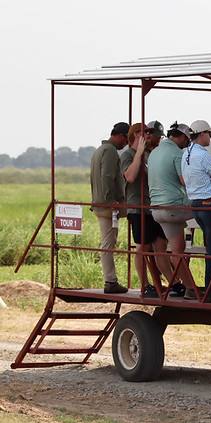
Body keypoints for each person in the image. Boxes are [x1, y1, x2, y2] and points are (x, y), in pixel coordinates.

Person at [119, 122, 176, 298]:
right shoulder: (128, 155)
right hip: (138, 207)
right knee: (142, 247)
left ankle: (173, 284)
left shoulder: (149, 154)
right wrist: (138, 153)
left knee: (160, 245)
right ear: (135, 135)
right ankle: (144, 285)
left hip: (153, 207)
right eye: (146, 132)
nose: (149, 135)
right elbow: (130, 176)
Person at [148, 122, 198, 299]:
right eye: (188, 139)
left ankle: (190, 288)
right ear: (183, 137)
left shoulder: (154, 152)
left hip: (156, 209)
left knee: (177, 250)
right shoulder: (177, 153)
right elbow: (184, 181)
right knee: (209, 210)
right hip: (174, 206)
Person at [182, 120, 211, 303]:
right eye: (210, 134)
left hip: (196, 204)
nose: (210, 137)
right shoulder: (204, 155)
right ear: (202, 134)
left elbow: (187, 180)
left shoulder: (185, 154)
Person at [90, 122, 129, 294]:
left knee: (107, 242)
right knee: (109, 243)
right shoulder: (110, 152)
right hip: (107, 205)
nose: (126, 145)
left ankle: (110, 279)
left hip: (98, 203)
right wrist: (111, 199)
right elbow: (107, 176)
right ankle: (110, 281)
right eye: (127, 140)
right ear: (122, 136)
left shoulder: (99, 150)